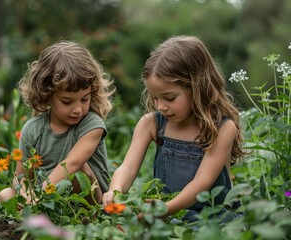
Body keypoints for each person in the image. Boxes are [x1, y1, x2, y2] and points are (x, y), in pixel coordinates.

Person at [103, 35, 245, 221]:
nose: (161, 106)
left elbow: (202, 183)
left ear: (198, 87)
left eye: (169, 98)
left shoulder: (223, 129)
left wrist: (164, 209)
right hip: (168, 215)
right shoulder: (151, 124)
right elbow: (128, 168)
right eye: (155, 98)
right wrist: (115, 190)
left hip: (214, 219)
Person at [0, 40, 115, 205]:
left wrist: (40, 195)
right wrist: (25, 195)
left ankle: (74, 218)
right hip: (46, 200)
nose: (78, 109)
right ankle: (42, 215)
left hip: (88, 200)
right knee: (5, 195)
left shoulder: (92, 125)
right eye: (67, 101)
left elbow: (73, 163)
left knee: (77, 172)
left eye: (84, 99)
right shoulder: (32, 129)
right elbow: (21, 178)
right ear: (46, 95)